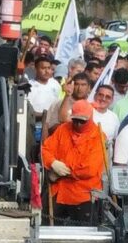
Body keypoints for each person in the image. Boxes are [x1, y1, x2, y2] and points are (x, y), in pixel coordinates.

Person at [38, 98, 106, 229]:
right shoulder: (63, 129)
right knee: (46, 228)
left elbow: (89, 169)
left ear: (90, 118)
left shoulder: (98, 136)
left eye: (82, 121)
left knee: (86, 235)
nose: (78, 124)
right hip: (59, 190)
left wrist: (62, 172)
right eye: (75, 120)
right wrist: (52, 163)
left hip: (84, 194)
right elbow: (45, 149)